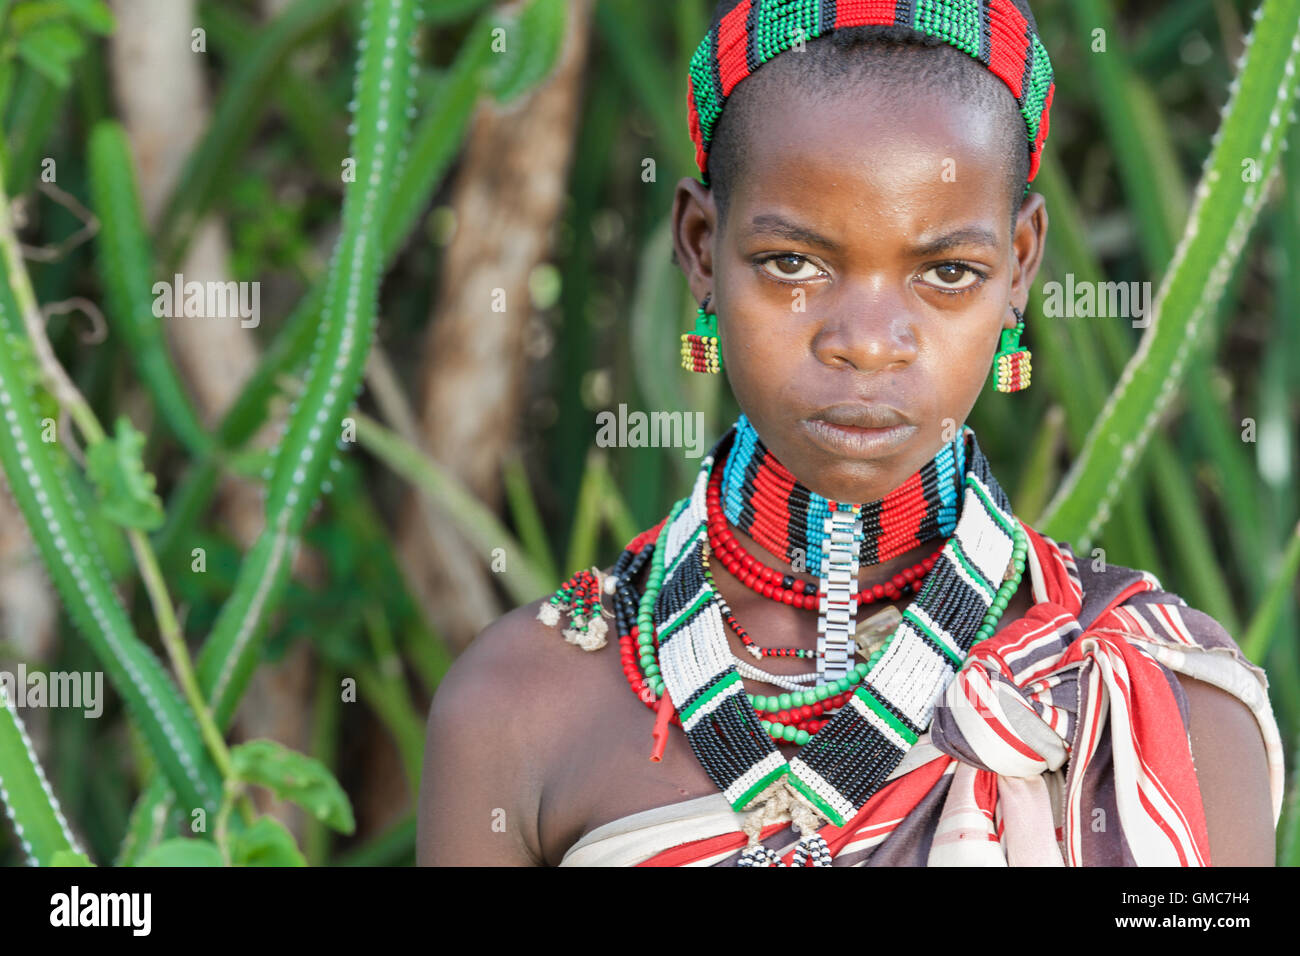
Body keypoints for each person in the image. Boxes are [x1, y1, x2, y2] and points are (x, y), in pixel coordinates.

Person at [417, 0, 1282, 866]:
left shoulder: (1155, 697)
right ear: (698, 246)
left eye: (948, 271)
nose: (866, 341)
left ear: (1019, 264)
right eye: (792, 263)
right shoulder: (520, 704)